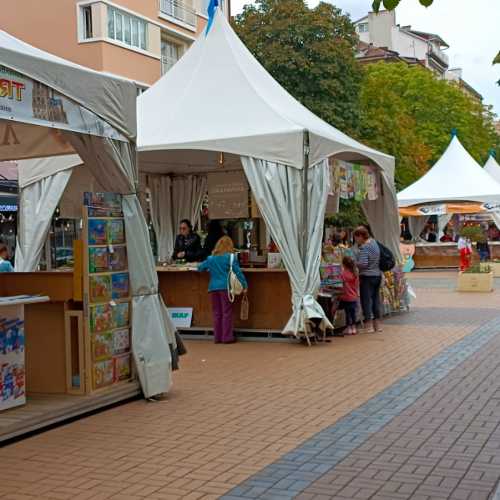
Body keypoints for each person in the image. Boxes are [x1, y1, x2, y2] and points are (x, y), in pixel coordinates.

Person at [198, 236, 248, 344]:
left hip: (213, 288)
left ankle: (217, 337)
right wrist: (244, 285)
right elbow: (238, 272)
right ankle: (227, 337)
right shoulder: (231, 257)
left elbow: (200, 267)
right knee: (227, 313)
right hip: (226, 288)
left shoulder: (211, 258)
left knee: (217, 313)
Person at [354, 226, 382, 333]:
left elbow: (364, 264)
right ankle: (377, 325)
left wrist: (355, 263)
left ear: (361, 236)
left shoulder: (365, 247)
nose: (356, 240)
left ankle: (368, 326)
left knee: (366, 301)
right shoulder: (374, 243)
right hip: (377, 275)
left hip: (367, 277)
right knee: (375, 300)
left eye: (356, 237)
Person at [339, 256, 359, 336]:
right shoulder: (355, 272)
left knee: (348, 313)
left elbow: (340, 284)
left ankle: (349, 328)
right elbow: (357, 285)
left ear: (344, 264)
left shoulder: (343, 273)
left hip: (346, 296)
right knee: (353, 313)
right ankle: (354, 328)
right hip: (354, 296)